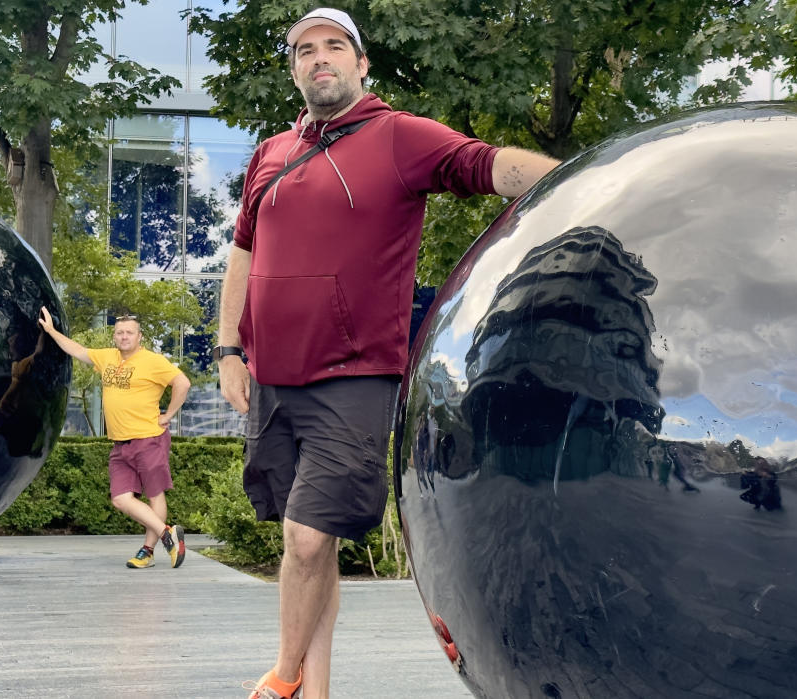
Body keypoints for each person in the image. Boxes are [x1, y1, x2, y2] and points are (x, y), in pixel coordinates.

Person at [213, 8, 561, 698]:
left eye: (333, 47)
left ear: (361, 63)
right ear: (294, 71)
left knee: (308, 540)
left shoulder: (398, 136)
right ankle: (317, 692)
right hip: (273, 380)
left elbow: (484, 164)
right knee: (313, 545)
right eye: (304, 51)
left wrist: (585, 179)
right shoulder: (270, 153)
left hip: (354, 379)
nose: (319, 59)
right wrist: (228, 348)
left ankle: (283, 679)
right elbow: (242, 254)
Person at [37, 307, 191, 569]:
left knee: (155, 495)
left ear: (139, 336)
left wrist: (168, 415)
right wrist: (51, 331)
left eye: (129, 332)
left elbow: (182, 383)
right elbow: (76, 350)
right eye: (119, 333)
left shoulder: (153, 361)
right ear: (114, 337)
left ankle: (148, 551)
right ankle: (168, 533)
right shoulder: (107, 357)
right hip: (121, 443)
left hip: (149, 438)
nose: (124, 336)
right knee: (120, 498)